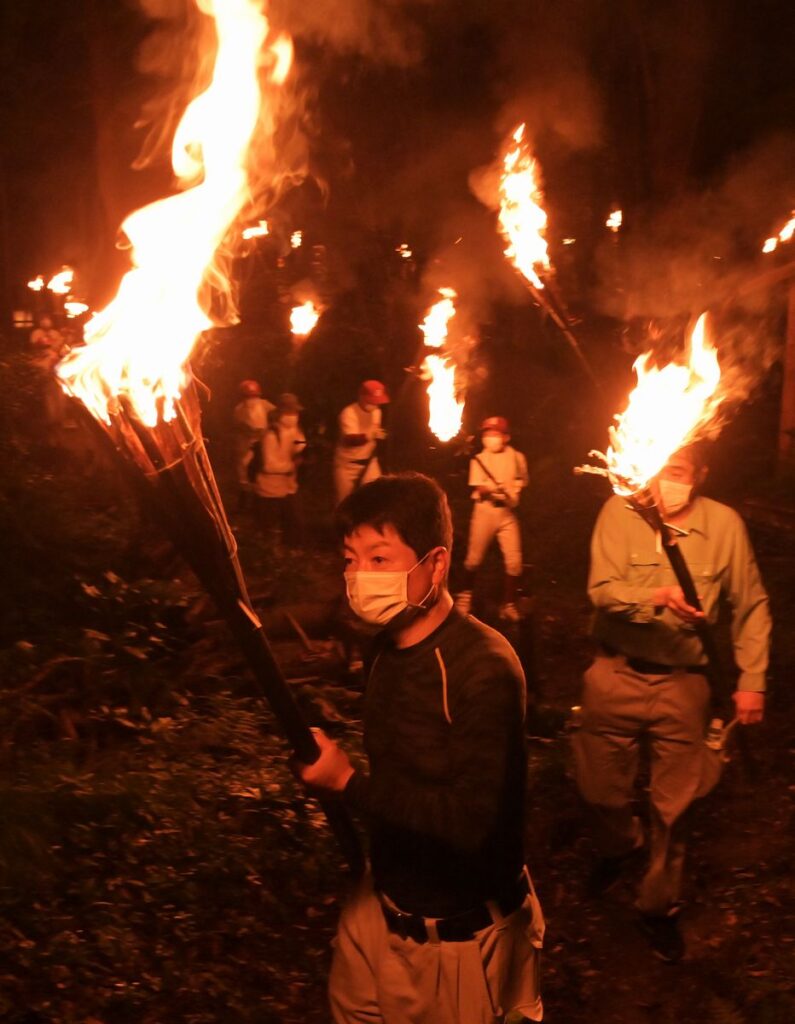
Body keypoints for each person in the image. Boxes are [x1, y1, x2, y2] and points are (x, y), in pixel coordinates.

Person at [296, 473, 545, 1024]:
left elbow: (471, 821)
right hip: (377, 907)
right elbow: (402, 771)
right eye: (351, 558)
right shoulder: (382, 648)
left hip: (458, 938)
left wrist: (349, 785)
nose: (360, 576)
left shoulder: (483, 667)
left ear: (435, 565)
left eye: (380, 559)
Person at [571, 445, 771, 962]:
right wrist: (655, 596)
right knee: (598, 789)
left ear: (701, 474)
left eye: (679, 472)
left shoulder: (724, 526)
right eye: (661, 471)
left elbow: (751, 604)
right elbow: (601, 590)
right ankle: (621, 845)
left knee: (675, 808)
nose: (668, 482)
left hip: (684, 684)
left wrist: (752, 679)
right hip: (614, 673)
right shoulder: (619, 510)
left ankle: (657, 905)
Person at [455, 417, 529, 623]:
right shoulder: (479, 458)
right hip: (485, 512)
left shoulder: (517, 457)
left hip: (506, 514)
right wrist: (497, 489)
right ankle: (464, 598)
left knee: (514, 562)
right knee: (473, 559)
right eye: (487, 434)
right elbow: (479, 488)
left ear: (506, 437)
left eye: (495, 434)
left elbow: (522, 478)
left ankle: (508, 604)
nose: (490, 438)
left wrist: (515, 491)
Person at [252, 393, 306, 549]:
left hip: (289, 486)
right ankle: (268, 555)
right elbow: (268, 465)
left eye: (294, 413)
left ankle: (291, 553)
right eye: (289, 413)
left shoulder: (295, 430)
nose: (292, 416)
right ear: (280, 413)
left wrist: (302, 452)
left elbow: (301, 445)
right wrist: (291, 466)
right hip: (269, 488)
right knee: (269, 526)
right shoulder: (270, 434)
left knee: (295, 522)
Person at [333, 379, 389, 504]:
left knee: (375, 495)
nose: (375, 405)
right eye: (372, 401)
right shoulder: (348, 413)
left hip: (369, 461)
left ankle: (369, 522)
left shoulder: (377, 412)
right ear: (362, 397)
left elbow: (375, 433)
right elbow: (350, 440)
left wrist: (380, 436)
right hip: (347, 465)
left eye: (377, 402)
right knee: (345, 503)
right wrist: (370, 435)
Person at [233, 380, 274, 508]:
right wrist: (250, 432)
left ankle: (260, 501)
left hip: (264, 444)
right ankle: (244, 500)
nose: (251, 399)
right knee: (244, 471)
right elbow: (240, 427)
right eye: (248, 397)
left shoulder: (266, 406)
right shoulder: (239, 410)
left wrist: (267, 431)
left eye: (254, 396)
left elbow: (277, 417)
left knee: (262, 471)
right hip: (247, 445)